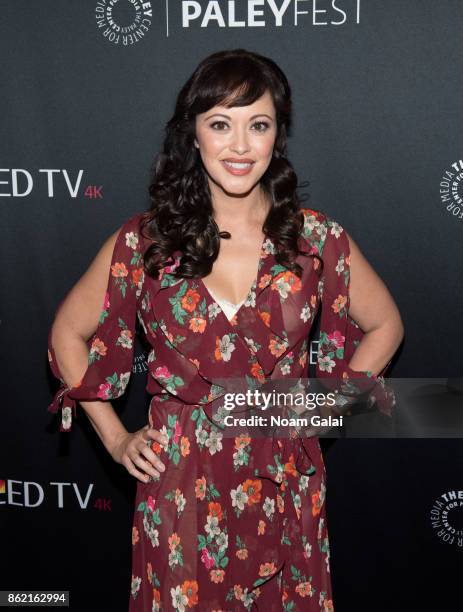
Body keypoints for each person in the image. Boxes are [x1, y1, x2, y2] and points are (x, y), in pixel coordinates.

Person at [47, 49, 403, 611]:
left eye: (257, 125)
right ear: (192, 134)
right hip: (181, 490)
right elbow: (68, 331)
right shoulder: (146, 243)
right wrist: (117, 439)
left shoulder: (316, 240)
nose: (240, 146)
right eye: (220, 124)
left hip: (285, 482)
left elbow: (385, 324)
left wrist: (329, 407)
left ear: (277, 136)